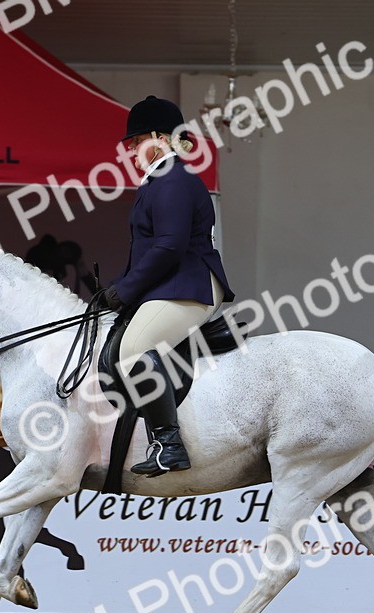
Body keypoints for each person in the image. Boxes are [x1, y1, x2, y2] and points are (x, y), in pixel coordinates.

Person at [103, 96, 235, 476]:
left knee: (133, 348)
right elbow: (149, 250)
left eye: (136, 139)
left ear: (160, 137)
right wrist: (115, 288)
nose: (128, 148)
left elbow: (169, 246)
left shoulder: (174, 180)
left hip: (190, 284)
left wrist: (125, 290)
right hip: (172, 283)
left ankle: (168, 444)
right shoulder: (159, 181)